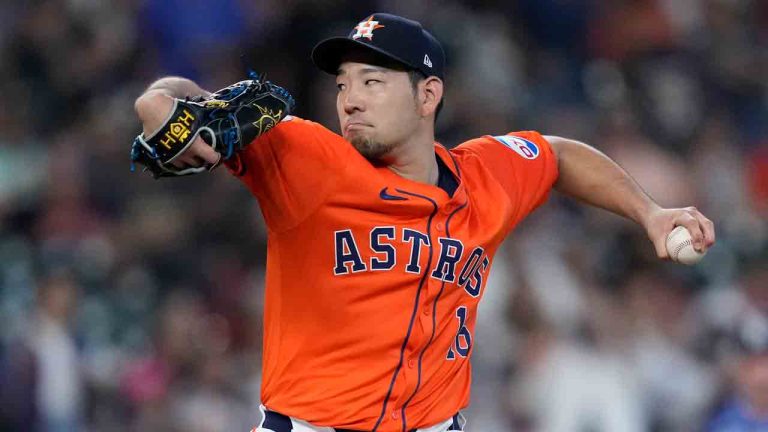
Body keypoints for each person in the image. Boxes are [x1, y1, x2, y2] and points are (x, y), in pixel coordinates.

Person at [132, 13, 716, 432]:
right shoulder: (307, 159)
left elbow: (558, 156)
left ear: (428, 94)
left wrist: (650, 211)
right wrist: (162, 106)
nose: (350, 99)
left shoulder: (486, 173)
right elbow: (172, 100)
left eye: (373, 82)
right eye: (342, 85)